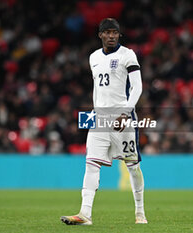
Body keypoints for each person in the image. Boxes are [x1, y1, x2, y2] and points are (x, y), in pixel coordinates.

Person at [61, 18, 147, 225]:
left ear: (119, 35)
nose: (111, 36)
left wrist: (126, 114)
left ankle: (140, 213)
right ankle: (85, 214)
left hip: (123, 118)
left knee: (132, 165)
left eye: (115, 32)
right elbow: (98, 90)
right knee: (91, 163)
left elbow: (137, 87)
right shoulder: (93, 58)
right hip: (100, 118)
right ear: (100, 35)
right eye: (107, 32)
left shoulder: (128, 55)